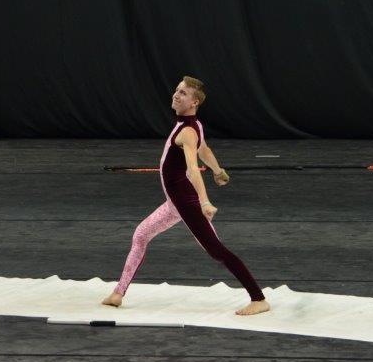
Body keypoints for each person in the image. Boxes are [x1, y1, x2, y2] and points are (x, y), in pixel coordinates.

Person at [102, 76, 271, 315]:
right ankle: (118, 294)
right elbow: (204, 150)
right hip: (174, 203)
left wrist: (204, 202)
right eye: (176, 90)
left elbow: (192, 169)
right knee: (140, 235)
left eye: (182, 93)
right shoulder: (194, 125)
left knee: (217, 251)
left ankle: (258, 299)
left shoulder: (188, 131)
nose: (176, 95)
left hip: (186, 202)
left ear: (194, 102)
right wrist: (218, 171)